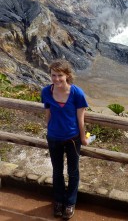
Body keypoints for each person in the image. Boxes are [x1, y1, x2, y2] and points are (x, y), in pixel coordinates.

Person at [41, 59, 89, 220]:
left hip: (72, 138)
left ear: (67, 75)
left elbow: (80, 118)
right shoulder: (46, 92)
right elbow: (48, 114)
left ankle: (70, 202)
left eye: (59, 75)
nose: (56, 79)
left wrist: (83, 137)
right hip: (54, 137)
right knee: (57, 171)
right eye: (53, 75)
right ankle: (59, 201)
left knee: (73, 172)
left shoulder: (77, 93)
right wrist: (49, 129)